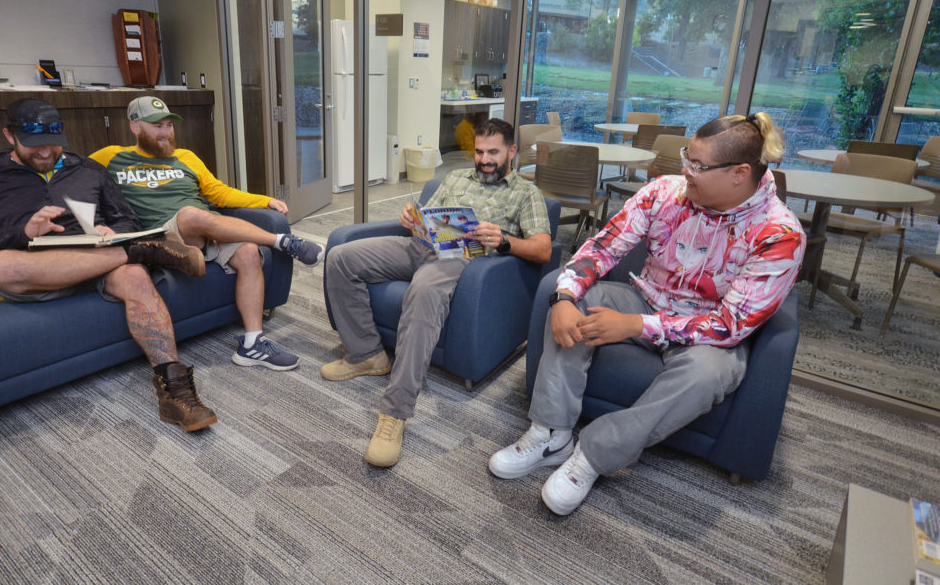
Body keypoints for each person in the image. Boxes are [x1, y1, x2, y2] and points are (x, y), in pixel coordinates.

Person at [489, 113, 806, 515]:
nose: (685, 171)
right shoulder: (664, 193)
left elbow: (729, 325)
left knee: (709, 375)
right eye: (685, 158)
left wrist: (636, 326)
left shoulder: (780, 235)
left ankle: (594, 456)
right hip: (646, 298)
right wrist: (564, 297)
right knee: (575, 299)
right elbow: (602, 248)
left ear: (739, 174)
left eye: (698, 166)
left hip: (707, 330)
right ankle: (550, 433)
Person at [0, 98, 218, 432]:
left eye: (53, 145)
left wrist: (115, 231)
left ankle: (176, 392)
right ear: (9, 136)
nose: (45, 153)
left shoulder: (88, 169)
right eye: (34, 145)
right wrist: (20, 233)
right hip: (36, 272)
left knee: (135, 278)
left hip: (99, 264)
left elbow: (126, 218)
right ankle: (144, 251)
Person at [323, 118, 553, 467]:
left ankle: (394, 413)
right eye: (479, 151)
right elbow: (431, 218)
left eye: (493, 152)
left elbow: (543, 250)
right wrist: (413, 219)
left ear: (511, 152)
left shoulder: (525, 192)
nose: (485, 159)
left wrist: (504, 240)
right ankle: (366, 354)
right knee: (341, 257)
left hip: (460, 260)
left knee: (424, 291)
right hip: (420, 246)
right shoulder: (458, 177)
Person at [91, 96, 324, 371]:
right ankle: (284, 243)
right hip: (161, 237)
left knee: (249, 252)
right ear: (135, 127)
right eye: (157, 126)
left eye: (168, 125)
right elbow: (70, 175)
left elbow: (219, 192)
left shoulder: (187, 158)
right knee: (190, 214)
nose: (166, 132)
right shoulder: (111, 157)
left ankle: (252, 344)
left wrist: (263, 200)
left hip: (204, 230)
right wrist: (92, 221)